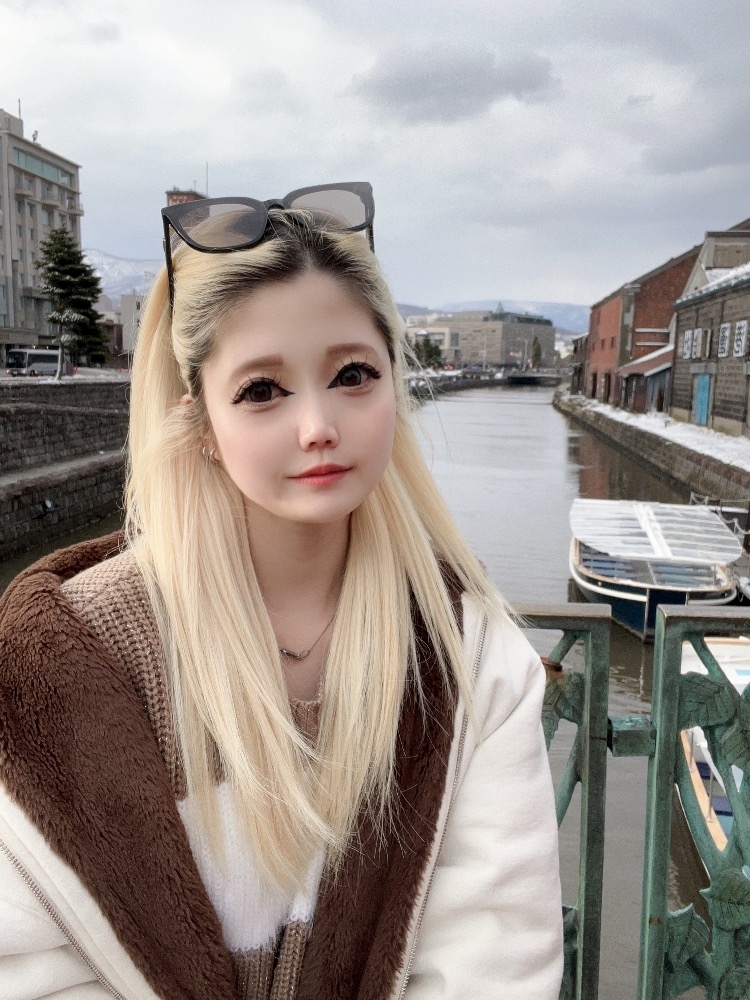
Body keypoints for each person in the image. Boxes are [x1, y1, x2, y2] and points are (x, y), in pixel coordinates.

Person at [0, 183, 563, 999]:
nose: (317, 427)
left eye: (353, 375)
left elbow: (495, 965)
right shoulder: (69, 664)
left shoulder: (470, 661)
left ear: (395, 384)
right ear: (200, 421)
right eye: (262, 390)